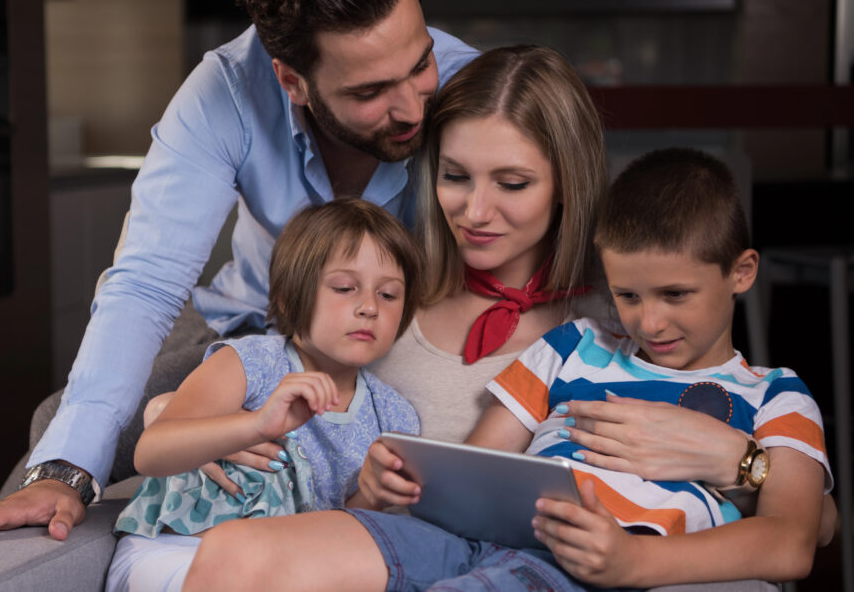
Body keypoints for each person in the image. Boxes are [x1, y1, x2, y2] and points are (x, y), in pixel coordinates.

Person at [181, 55, 830, 591]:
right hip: (447, 538)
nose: (476, 210)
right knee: (234, 556)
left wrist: (744, 463)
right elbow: (249, 380)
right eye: (457, 176)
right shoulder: (380, 304)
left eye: (513, 182)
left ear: (565, 185)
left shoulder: (620, 318)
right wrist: (181, 418)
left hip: (576, 558)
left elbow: (806, 526)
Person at [0, 0, 477, 548]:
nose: (416, 107)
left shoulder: (473, 85)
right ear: (293, 81)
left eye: (420, 65)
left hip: (391, 335)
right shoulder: (223, 94)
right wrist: (71, 468)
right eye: (369, 92)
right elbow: (145, 282)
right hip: (249, 322)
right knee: (59, 428)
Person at [343, 147, 833, 590]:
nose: (651, 322)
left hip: (598, 561)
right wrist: (408, 481)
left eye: (676, 294)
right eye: (627, 296)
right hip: (495, 543)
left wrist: (634, 558)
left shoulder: (775, 394)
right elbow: (480, 467)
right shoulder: (573, 343)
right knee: (307, 549)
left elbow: (789, 544)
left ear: (741, 273)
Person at [104, 198, 423, 591]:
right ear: (290, 297)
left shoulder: (393, 416)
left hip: (284, 567)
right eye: (345, 287)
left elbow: (335, 537)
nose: (369, 307)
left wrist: (371, 498)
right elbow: (150, 453)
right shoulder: (250, 363)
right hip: (178, 549)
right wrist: (255, 424)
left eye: (389, 295)